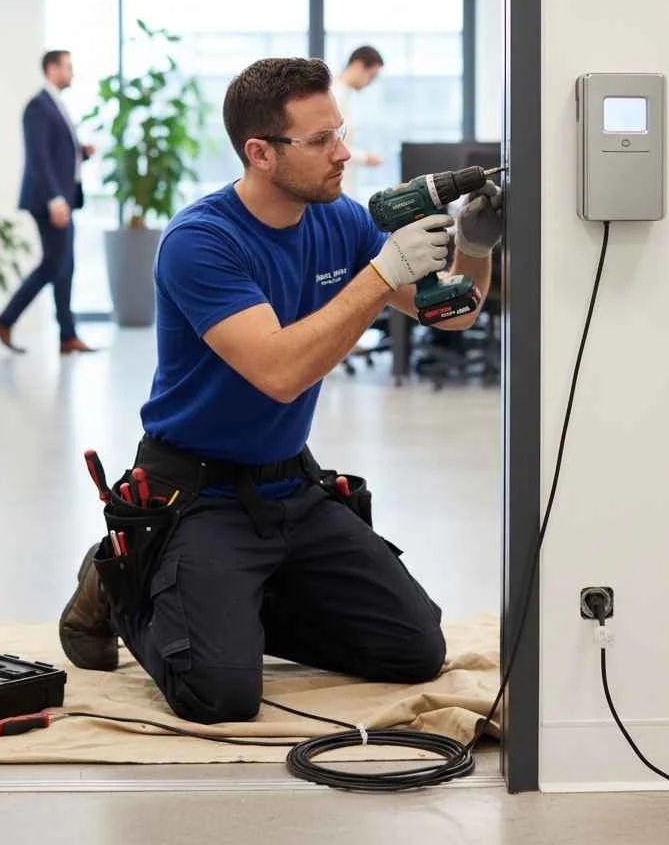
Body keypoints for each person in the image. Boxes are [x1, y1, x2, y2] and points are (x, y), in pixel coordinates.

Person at [58, 57, 503, 725]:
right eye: (320, 140)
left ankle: (226, 603)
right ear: (260, 152)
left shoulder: (341, 221)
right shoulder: (200, 242)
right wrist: (380, 274)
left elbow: (453, 313)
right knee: (220, 694)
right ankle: (122, 582)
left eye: (339, 133)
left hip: (289, 487)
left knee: (414, 649)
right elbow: (278, 372)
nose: (342, 153)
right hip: (197, 492)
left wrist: (475, 244)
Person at [0, 50, 96, 355]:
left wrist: (81, 152)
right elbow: (38, 158)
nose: (72, 72)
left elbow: (57, 153)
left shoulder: (55, 104)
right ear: (52, 69)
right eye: (68, 67)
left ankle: (67, 335)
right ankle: (5, 321)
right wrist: (54, 198)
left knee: (65, 266)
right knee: (54, 264)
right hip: (49, 201)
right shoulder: (38, 106)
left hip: (63, 199)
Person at [331, 45, 384, 202]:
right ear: (358, 65)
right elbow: (330, 145)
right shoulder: (334, 95)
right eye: (371, 76)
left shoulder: (343, 94)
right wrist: (365, 158)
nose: (370, 82)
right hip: (337, 187)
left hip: (345, 186)